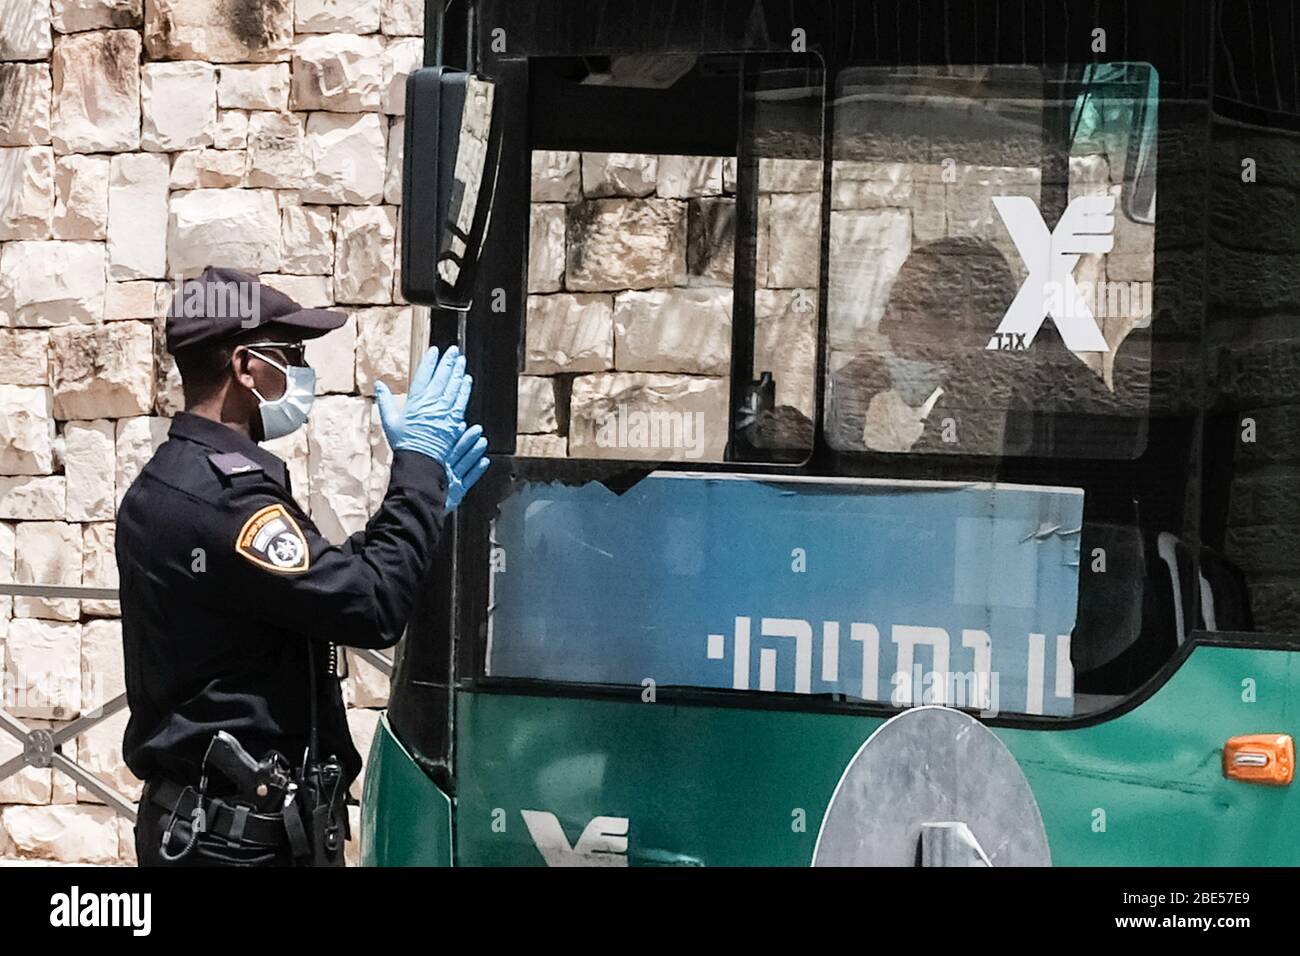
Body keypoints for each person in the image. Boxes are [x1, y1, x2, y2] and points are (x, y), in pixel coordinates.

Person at [117, 266, 490, 866]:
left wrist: (426, 506)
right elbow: (369, 604)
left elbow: (313, 585)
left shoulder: (169, 481)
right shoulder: (230, 502)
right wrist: (418, 470)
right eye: (290, 354)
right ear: (245, 368)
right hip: (240, 844)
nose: (302, 371)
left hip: (206, 827)